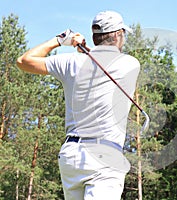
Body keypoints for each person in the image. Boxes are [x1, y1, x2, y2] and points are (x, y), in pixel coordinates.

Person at [17, 10, 140, 200]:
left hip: (71, 156)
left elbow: (24, 61)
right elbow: (102, 63)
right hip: (104, 156)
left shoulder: (69, 62)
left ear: (95, 36)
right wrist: (86, 49)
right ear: (117, 34)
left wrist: (60, 40)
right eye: (122, 34)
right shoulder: (130, 64)